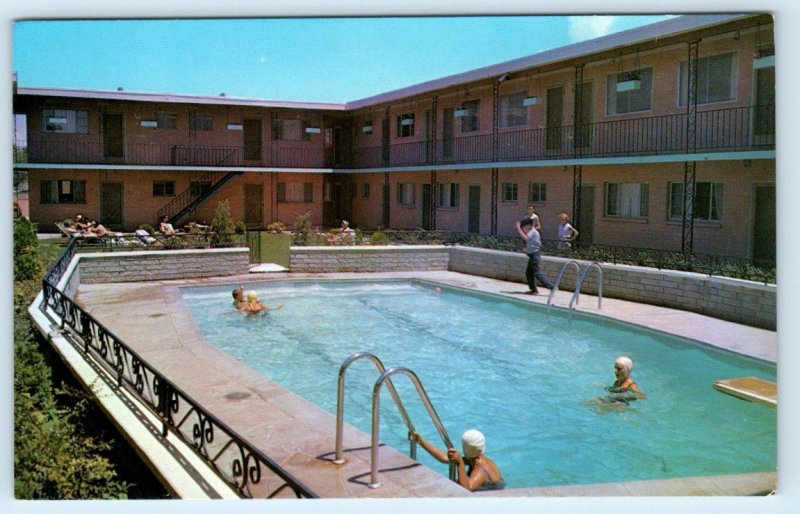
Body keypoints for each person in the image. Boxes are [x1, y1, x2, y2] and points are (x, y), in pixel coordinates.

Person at [410, 429, 504, 491]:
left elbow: (466, 489)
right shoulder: (477, 459)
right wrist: (420, 440)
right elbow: (445, 458)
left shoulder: (481, 470)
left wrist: (460, 463)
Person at [515, 218, 554, 295]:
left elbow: (526, 238)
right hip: (533, 255)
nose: (524, 230)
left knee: (536, 272)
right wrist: (527, 249)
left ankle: (551, 287)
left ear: (529, 226)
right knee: (529, 273)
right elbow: (533, 243)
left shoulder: (533, 231)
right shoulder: (532, 232)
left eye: (524, 228)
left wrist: (518, 228)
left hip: (534, 255)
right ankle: (534, 290)